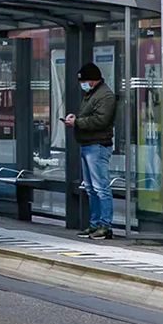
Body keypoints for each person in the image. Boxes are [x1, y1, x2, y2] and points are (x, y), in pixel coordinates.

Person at [66, 62, 118, 240]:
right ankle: (95, 224)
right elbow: (91, 117)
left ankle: (105, 225)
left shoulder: (105, 96)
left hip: (98, 146)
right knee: (91, 188)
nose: (83, 85)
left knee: (100, 187)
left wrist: (77, 123)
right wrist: (77, 119)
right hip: (87, 145)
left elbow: (100, 121)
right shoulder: (92, 94)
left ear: (94, 80)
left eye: (85, 81)